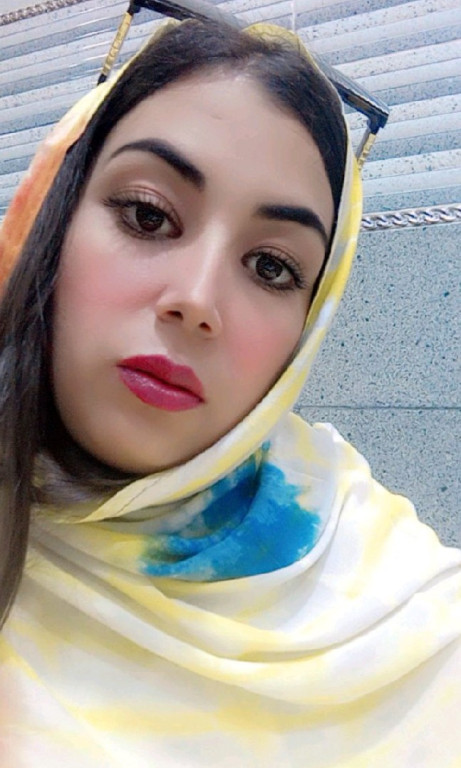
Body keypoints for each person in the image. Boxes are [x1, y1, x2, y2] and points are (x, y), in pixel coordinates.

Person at [0, 18, 459, 768]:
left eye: (272, 267)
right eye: (148, 214)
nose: (196, 298)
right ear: (54, 219)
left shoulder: (402, 616)